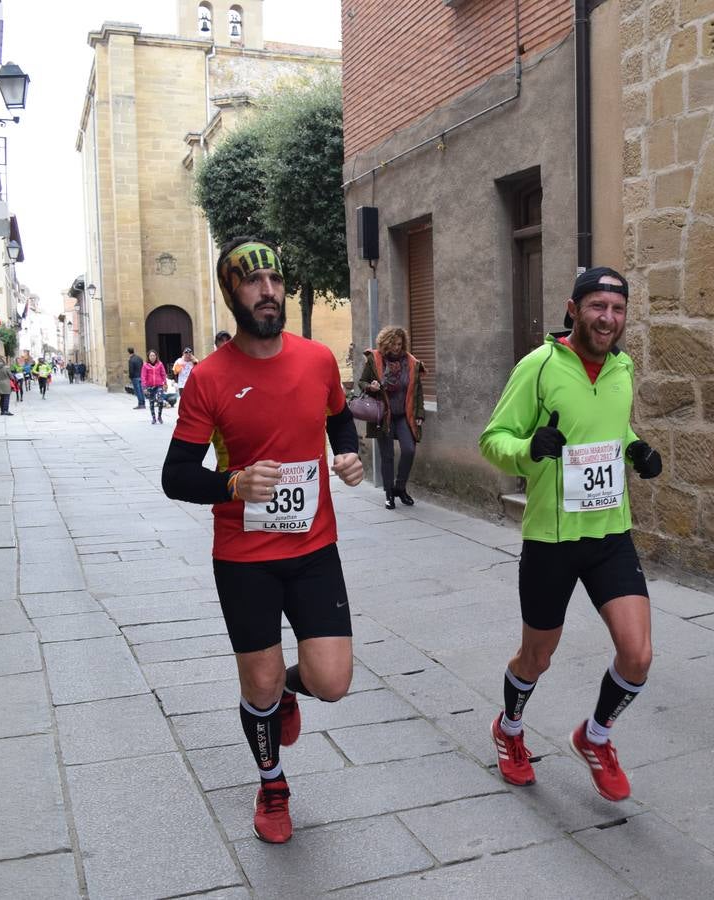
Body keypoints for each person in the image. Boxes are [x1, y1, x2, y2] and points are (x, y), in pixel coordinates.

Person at [160, 236, 364, 844]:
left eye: (274, 279)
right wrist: (233, 482)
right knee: (260, 681)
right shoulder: (210, 379)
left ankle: (284, 697)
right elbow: (176, 476)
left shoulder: (318, 359)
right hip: (245, 558)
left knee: (332, 681)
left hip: (313, 548)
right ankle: (272, 783)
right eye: (253, 282)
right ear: (233, 294)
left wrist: (347, 452)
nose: (268, 290)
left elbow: (337, 414)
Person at [479, 266, 663, 803]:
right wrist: (529, 448)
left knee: (638, 655)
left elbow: (610, 428)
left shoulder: (623, 368)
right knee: (537, 656)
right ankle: (509, 728)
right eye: (597, 307)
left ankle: (596, 736)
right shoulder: (538, 367)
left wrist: (635, 448)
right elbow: (493, 439)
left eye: (618, 309)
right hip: (551, 538)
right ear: (574, 308)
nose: (608, 318)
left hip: (609, 532)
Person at [359, 326, 424, 509]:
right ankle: (389, 494)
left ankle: (400, 488)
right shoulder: (375, 359)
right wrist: (370, 387)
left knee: (409, 450)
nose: (397, 347)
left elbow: (417, 390)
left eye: (400, 344)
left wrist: (419, 414)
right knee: (387, 455)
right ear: (386, 343)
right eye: (393, 344)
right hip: (383, 415)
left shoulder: (410, 362)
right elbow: (361, 382)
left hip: (404, 415)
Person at [141, 350, 167, 424]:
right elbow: (143, 377)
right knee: (151, 402)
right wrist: (144, 387)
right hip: (150, 386)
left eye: (154, 355)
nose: (152, 357)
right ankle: (153, 418)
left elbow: (163, 374)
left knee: (160, 400)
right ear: (148, 357)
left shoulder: (160, 364)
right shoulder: (145, 365)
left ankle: (159, 416)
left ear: (156, 356)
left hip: (159, 385)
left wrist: (165, 383)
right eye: (151, 356)